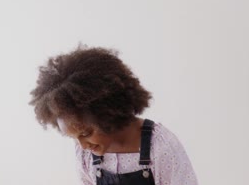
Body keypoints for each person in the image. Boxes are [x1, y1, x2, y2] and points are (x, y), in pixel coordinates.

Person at [29, 45, 198, 185]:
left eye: (86, 133)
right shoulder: (86, 153)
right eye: (74, 138)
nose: (82, 145)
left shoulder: (160, 147)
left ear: (108, 114)